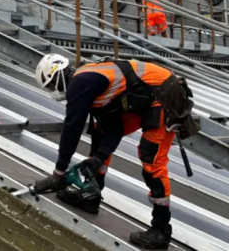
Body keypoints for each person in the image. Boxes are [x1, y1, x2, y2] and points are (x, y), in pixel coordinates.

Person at [32, 54, 197, 250]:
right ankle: (92, 195)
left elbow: (72, 127)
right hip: (149, 95)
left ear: (58, 76)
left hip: (164, 95)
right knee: (100, 133)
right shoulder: (92, 82)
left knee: (152, 159)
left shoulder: (80, 82)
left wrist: (59, 172)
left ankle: (161, 229)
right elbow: (114, 128)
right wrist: (97, 160)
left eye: (51, 86)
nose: (54, 92)